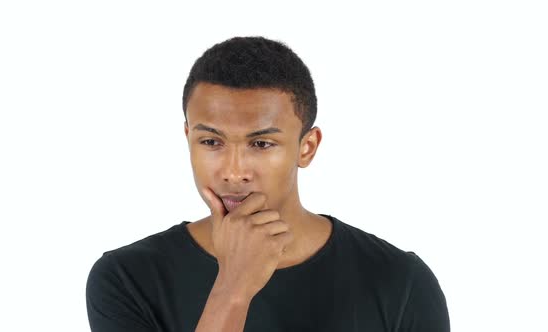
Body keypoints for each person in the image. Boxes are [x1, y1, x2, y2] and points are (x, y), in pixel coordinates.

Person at [85, 36, 450, 332]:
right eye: (211, 142)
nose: (234, 171)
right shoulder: (127, 279)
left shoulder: (399, 282)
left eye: (261, 144)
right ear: (188, 138)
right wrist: (233, 288)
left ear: (306, 148)